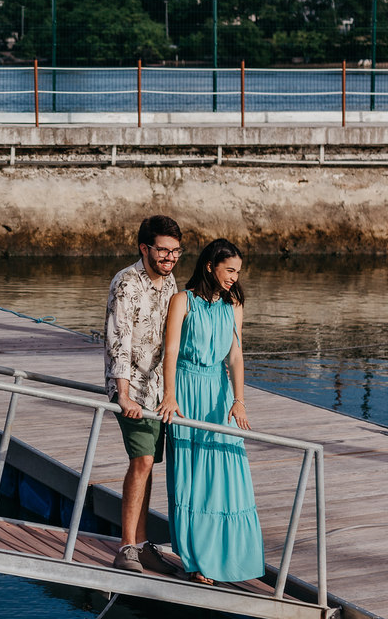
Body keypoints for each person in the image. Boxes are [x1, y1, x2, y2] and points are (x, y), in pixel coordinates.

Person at [157, 238, 264, 585]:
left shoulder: (234, 304)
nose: (234, 277)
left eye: (237, 272)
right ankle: (197, 559)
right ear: (209, 266)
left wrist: (239, 399)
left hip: (218, 393)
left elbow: (235, 355)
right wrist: (170, 396)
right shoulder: (181, 301)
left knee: (227, 473)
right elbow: (170, 352)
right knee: (192, 476)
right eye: (229, 270)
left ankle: (232, 555)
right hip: (187, 390)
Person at [104, 215, 182, 574]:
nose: (169, 257)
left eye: (176, 251)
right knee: (142, 462)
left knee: (149, 464)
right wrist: (123, 395)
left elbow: (169, 342)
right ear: (144, 248)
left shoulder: (170, 283)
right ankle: (125, 548)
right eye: (163, 250)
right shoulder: (126, 283)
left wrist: (170, 392)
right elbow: (118, 340)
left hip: (156, 393)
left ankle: (141, 543)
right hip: (131, 388)